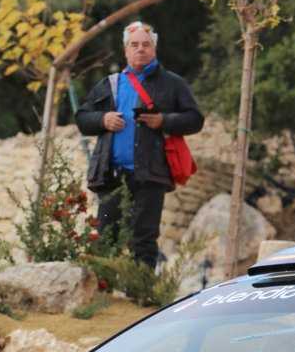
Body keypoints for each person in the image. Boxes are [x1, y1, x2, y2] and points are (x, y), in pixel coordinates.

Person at [76, 21, 204, 267]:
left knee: (143, 240)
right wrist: (103, 119)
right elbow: (82, 118)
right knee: (106, 237)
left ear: (154, 49)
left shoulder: (172, 83)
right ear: (126, 50)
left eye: (146, 44)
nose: (140, 49)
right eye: (134, 45)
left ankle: (141, 288)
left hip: (151, 175)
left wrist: (164, 121)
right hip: (111, 176)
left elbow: (195, 119)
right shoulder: (110, 83)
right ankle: (105, 287)